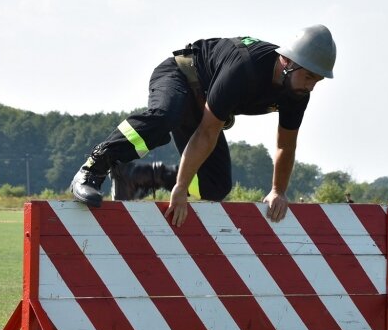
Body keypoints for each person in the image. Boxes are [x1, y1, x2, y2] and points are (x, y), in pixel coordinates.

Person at [70, 24, 336, 227]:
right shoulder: (245, 69)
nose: (311, 86)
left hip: (204, 103)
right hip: (180, 76)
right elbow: (208, 132)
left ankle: (140, 177)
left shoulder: (297, 93)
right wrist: (182, 188)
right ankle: (94, 168)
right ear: (287, 62)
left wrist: (278, 190)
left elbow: (285, 145)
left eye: (318, 80)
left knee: (216, 186)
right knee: (165, 117)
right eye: (309, 76)